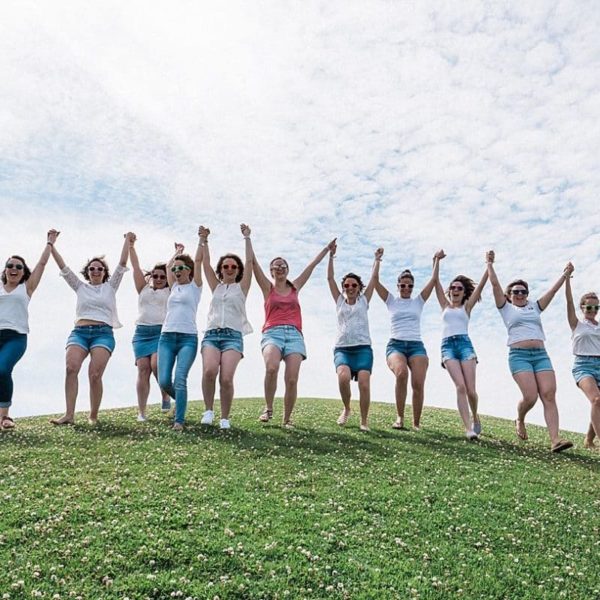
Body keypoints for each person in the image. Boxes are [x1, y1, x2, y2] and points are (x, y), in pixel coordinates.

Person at [487, 255, 573, 452]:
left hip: (541, 355)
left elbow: (552, 291)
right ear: (509, 295)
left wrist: (565, 275)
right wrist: (489, 264)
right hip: (519, 356)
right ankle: (520, 417)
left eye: (523, 292)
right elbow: (494, 285)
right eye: (516, 292)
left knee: (549, 394)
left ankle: (555, 440)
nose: (520, 294)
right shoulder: (506, 308)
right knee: (531, 396)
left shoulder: (534, 306)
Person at [253, 237, 337, 428]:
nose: (280, 268)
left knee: (291, 379)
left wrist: (327, 249)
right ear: (271, 271)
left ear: (287, 270)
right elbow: (253, 263)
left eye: (283, 266)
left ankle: (287, 418)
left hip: (294, 335)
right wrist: (249, 237)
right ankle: (268, 407)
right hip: (272, 333)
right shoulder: (268, 288)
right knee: (272, 367)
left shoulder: (295, 287)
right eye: (276, 266)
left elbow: (312, 265)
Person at [49, 233, 132, 425]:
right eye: (92, 268)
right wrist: (51, 245)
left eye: (99, 268)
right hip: (79, 333)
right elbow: (63, 267)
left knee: (95, 374)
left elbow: (121, 263)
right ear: (87, 271)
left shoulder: (111, 287)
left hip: (103, 334)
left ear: (104, 272)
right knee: (71, 368)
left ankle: (93, 415)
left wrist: (127, 241)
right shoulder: (79, 286)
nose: (96, 271)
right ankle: (69, 415)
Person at [374, 250, 444, 430]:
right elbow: (374, 282)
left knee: (418, 383)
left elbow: (434, 280)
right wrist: (377, 260)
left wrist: (436, 260)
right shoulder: (391, 301)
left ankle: (416, 423)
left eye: (410, 286)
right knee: (402, 373)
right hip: (395, 345)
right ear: (398, 286)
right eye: (403, 285)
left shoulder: (418, 301)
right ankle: (399, 417)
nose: (406, 288)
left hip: (416, 346)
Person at [0, 230, 59, 430]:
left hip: (15, 337)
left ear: (24, 271)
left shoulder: (26, 288)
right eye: (10, 265)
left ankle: (5, 416)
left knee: (3, 369)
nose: (14, 269)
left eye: (18, 266)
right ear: (5, 269)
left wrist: (49, 243)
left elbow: (41, 265)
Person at [197, 224, 253, 430]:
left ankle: (225, 417)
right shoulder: (216, 287)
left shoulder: (242, 287)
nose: (229, 269)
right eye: (226, 266)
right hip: (212, 334)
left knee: (227, 378)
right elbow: (205, 264)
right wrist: (204, 240)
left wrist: (247, 238)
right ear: (221, 270)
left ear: (238, 271)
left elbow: (249, 262)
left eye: (233, 267)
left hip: (233, 336)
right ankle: (209, 410)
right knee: (209, 371)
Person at [434, 252, 489, 439]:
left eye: (459, 288)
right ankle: (468, 429)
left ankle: (475, 417)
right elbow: (435, 282)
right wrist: (436, 261)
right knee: (460, 387)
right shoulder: (444, 306)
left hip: (465, 346)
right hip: (447, 347)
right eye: (453, 287)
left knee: (471, 390)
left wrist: (489, 264)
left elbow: (481, 286)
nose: (455, 290)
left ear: (464, 292)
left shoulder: (466, 307)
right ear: (450, 291)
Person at [326, 243, 379, 431]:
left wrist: (376, 260)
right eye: (346, 285)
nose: (350, 288)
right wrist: (331, 256)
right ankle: (347, 408)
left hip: (363, 348)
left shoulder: (364, 300)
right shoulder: (339, 301)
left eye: (353, 285)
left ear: (359, 288)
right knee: (343, 377)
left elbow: (374, 278)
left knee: (364, 383)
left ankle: (364, 421)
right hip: (343, 349)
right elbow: (330, 278)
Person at [157, 231, 203, 431]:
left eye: (180, 268)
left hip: (188, 338)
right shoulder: (173, 286)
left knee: (180, 378)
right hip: (166, 337)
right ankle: (181, 400)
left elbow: (200, 260)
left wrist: (202, 240)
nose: (176, 271)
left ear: (189, 270)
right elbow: (168, 266)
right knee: (164, 380)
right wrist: (177, 252)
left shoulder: (196, 286)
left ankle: (179, 421)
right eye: (175, 269)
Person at [129, 235, 171, 421]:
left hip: (161, 332)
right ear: (151, 276)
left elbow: (171, 270)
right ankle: (142, 412)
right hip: (141, 333)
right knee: (143, 369)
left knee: (156, 365)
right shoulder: (143, 288)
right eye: (156, 276)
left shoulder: (170, 291)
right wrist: (131, 246)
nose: (159, 279)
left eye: (163, 276)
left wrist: (176, 253)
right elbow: (136, 267)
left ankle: (165, 394)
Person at [565, 272, 600, 450]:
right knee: (596, 400)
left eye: (596, 308)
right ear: (582, 308)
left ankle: (588, 439)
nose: (592, 311)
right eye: (589, 308)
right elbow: (569, 302)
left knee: (599, 403)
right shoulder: (577, 324)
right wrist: (566, 279)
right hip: (583, 365)